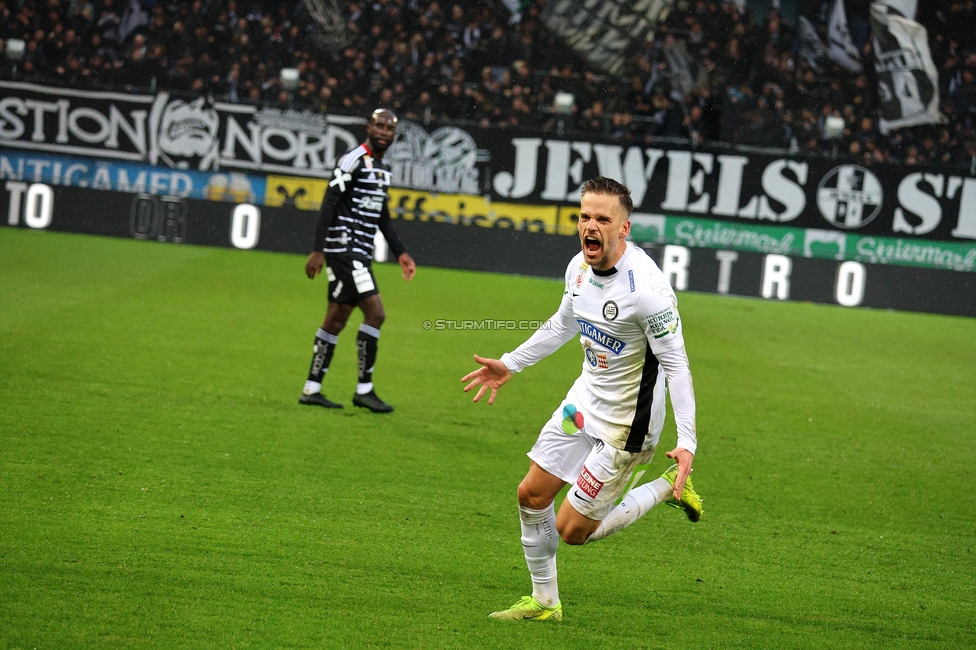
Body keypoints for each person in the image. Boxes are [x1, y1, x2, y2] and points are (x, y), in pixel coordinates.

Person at [462, 177, 702, 621]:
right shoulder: (578, 268)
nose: (590, 226)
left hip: (626, 426)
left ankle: (669, 486)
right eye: (584, 216)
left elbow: (677, 365)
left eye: (602, 219)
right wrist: (510, 364)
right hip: (583, 404)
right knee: (531, 495)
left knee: (570, 531)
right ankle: (544, 602)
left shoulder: (647, 291)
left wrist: (687, 441)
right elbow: (562, 323)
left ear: (624, 228)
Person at [300, 108, 416, 413]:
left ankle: (311, 388)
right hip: (345, 250)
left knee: (336, 319)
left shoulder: (384, 167)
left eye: (389, 128)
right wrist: (317, 249)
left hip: (359, 251)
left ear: (393, 134)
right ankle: (364, 389)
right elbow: (329, 201)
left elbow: (382, 215)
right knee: (376, 314)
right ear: (369, 127)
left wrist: (400, 251)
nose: (383, 132)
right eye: (378, 126)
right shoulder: (353, 159)